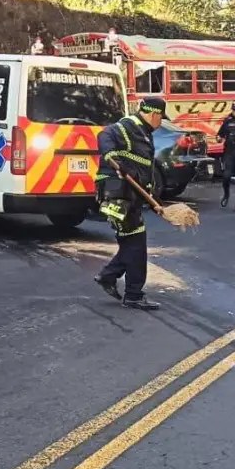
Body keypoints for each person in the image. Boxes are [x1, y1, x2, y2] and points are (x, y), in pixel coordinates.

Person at [94, 97, 167, 311]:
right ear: (154, 114)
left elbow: (142, 172)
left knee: (133, 244)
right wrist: (113, 157)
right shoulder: (128, 126)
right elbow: (104, 135)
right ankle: (132, 294)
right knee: (135, 245)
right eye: (161, 117)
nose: (161, 122)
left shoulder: (144, 133)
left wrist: (155, 202)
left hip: (131, 198)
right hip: (118, 197)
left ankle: (109, 277)